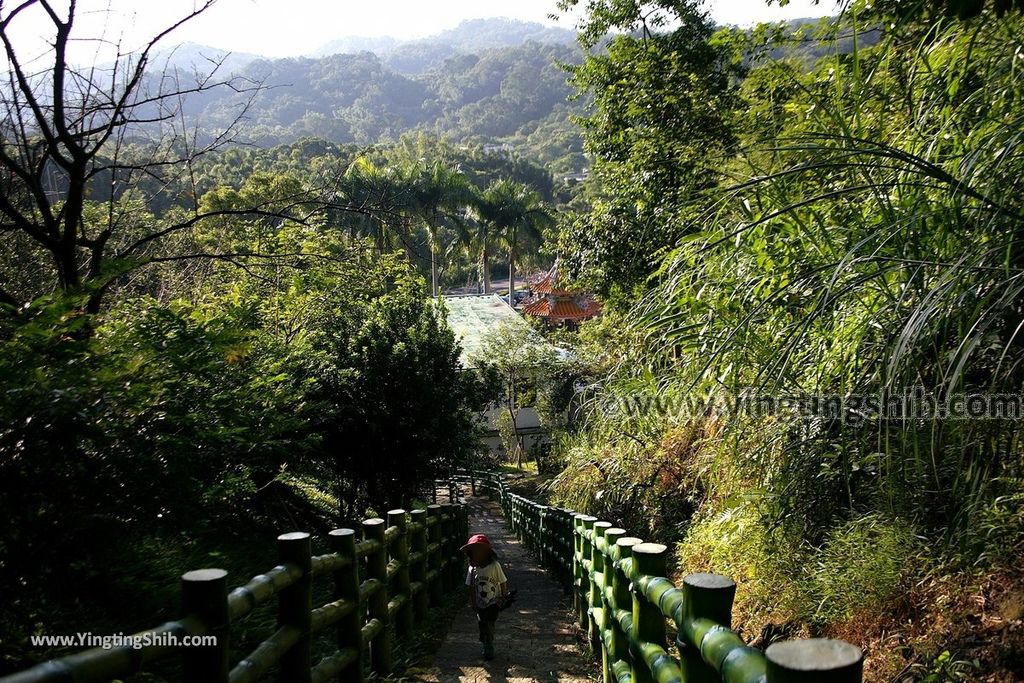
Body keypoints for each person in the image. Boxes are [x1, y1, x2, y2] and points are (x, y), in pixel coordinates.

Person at [461, 533, 507, 660]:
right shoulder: (472, 569)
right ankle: (485, 641)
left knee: (489, 623)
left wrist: (503, 597)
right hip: (480, 603)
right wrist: (473, 601)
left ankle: (489, 645)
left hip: (493, 602)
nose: (473, 557)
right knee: (482, 623)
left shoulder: (494, 566)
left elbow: (503, 581)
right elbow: (470, 586)